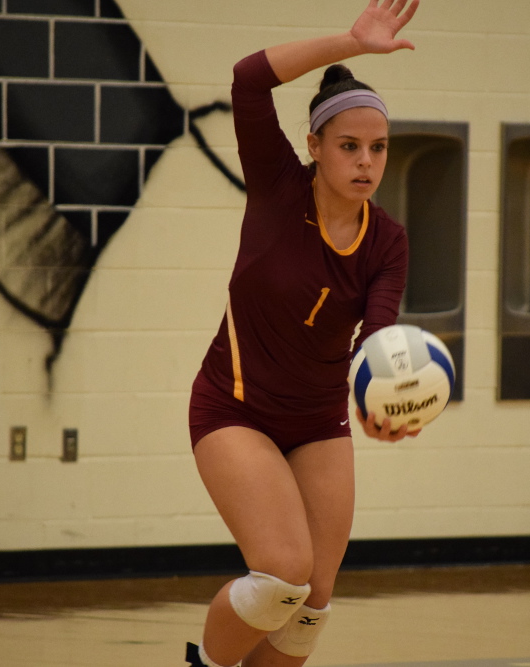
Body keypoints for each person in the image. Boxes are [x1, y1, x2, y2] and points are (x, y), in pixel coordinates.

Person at [185, 1, 421, 665]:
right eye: (349, 146)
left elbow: (377, 338)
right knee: (283, 574)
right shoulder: (277, 187)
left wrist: (385, 405)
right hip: (235, 408)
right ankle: (206, 662)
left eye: (378, 148)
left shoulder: (389, 241)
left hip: (317, 421)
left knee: (314, 598)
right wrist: (349, 41)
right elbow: (247, 78)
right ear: (315, 146)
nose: (366, 162)